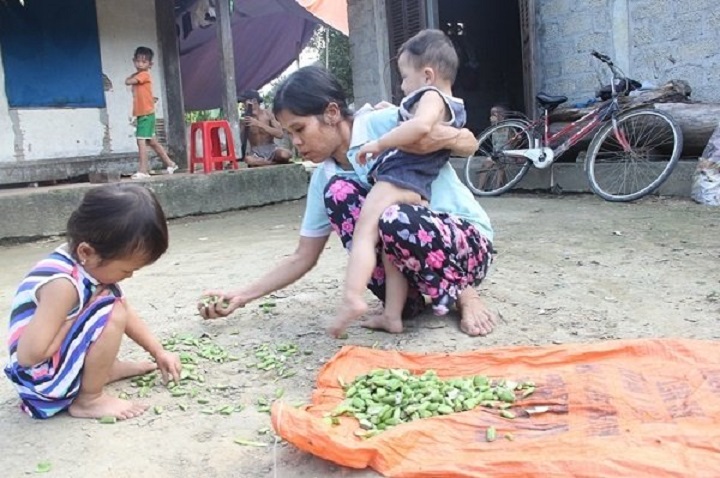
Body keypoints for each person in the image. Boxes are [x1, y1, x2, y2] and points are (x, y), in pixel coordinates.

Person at [198, 66, 497, 338]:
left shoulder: (384, 125)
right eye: (290, 134)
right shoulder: (324, 177)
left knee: (394, 217)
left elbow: (469, 141)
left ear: (331, 113)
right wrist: (241, 296)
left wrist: (433, 139)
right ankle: (403, 305)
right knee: (341, 193)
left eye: (300, 129)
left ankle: (464, 293)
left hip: (465, 245)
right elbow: (302, 256)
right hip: (405, 248)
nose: (296, 144)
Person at [330, 29, 467, 338]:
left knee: (365, 231)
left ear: (428, 75)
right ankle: (392, 316)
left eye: (405, 77)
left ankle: (352, 298)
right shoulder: (455, 106)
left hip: (399, 178)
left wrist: (377, 144)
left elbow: (419, 126)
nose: (403, 86)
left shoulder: (431, 97)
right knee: (392, 254)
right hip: (418, 186)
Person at [3, 184, 181, 420]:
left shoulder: (86, 266)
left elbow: (126, 309)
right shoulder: (63, 285)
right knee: (111, 311)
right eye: (126, 269)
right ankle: (89, 399)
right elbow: (28, 356)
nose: (130, 276)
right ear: (86, 252)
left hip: (51, 366)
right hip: (41, 383)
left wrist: (159, 351)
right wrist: (75, 317)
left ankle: (102, 371)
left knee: (112, 304)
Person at [125, 46, 179, 179]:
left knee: (141, 141)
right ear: (134, 61)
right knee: (152, 141)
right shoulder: (141, 74)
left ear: (150, 64)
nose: (140, 64)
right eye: (138, 61)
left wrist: (132, 76)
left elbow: (128, 81)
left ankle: (143, 169)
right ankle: (170, 164)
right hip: (143, 113)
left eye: (144, 62)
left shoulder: (144, 75)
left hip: (145, 114)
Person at [238, 89, 293, 167]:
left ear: (253, 101)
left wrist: (258, 124)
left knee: (285, 154)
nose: (243, 104)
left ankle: (264, 163)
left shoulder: (268, 114)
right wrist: (243, 128)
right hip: (255, 152)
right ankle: (272, 163)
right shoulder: (245, 119)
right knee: (249, 159)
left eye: (244, 101)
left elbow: (280, 134)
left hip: (271, 148)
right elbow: (239, 141)